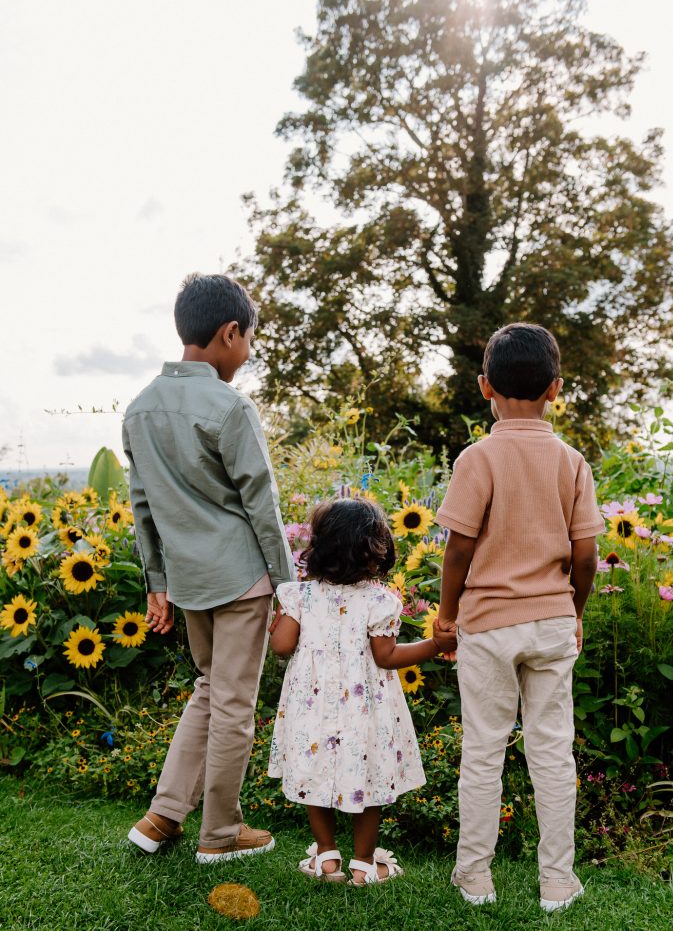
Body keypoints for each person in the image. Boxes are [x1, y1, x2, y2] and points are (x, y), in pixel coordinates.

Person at [124, 272, 295, 863]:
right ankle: (219, 835)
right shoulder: (229, 406)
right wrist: (288, 585)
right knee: (233, 707)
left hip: (191, 583)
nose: (247, 352)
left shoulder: (139, 409)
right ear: (229, 333)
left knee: (207, 691)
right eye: (247, 339)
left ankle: (161, 816)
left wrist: (158, 584)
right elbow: (262, 506)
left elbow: (141, 509)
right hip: (243, 578)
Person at [434, 323, 603, 912]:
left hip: (487, 623)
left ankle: (474, 875)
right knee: (553, 751)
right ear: (555, 388)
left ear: (485, 387)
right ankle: (557, 880)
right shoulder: (572, 461)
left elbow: (457, 548)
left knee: (483, 749)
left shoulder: (477, 458)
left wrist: (446, 614)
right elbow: (586, 556)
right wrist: (573, 611)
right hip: (554, 619)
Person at [267, 497, 457, 885]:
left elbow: (282, 647)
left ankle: (326, 857)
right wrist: (435, 646)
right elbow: (386, 657)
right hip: (362, 711)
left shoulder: (298, 596)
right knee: (365, 779)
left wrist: (277, 622)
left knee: (312, 777)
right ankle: (364, 863)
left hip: (311, 708)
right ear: (374, 552)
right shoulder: (379, 600)